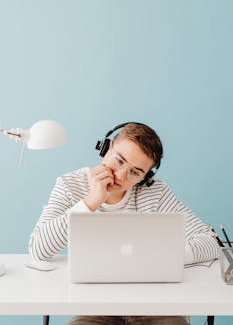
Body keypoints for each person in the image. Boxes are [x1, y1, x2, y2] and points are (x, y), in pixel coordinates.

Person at [28, 122, 218, 325]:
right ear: (106, 148)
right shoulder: (70, 185)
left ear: (146, 178)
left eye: (135, 172)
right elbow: (39, 250)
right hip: (95, 307)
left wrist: (166, 258)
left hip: (155, 305)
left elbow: (210, 242)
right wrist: (90, 202)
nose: (120, 176)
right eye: (119, 160)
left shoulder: (155, 193)